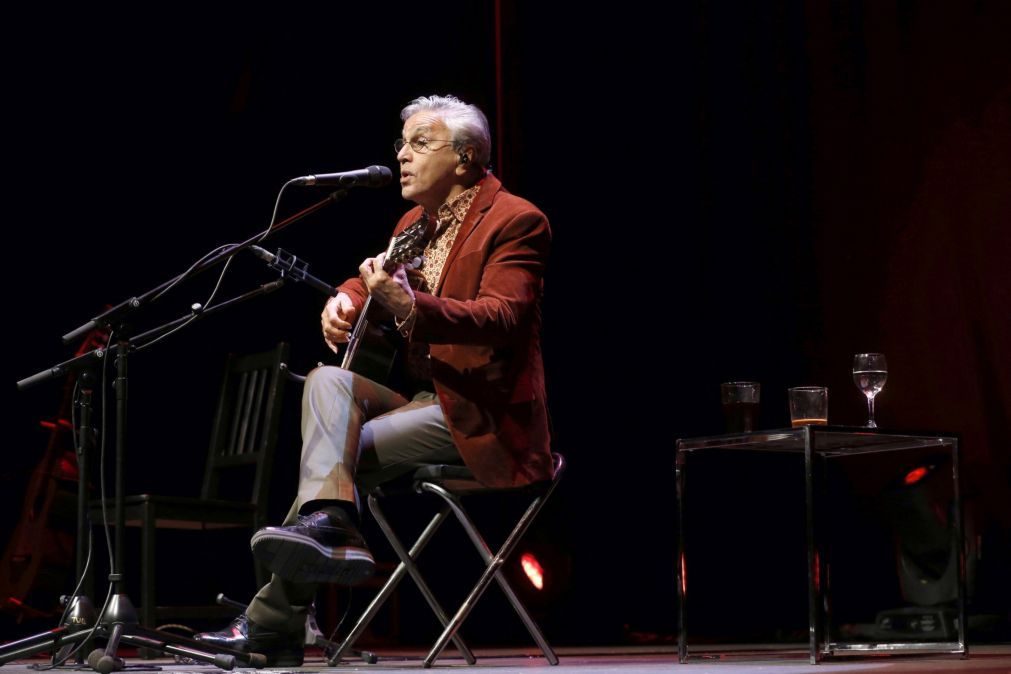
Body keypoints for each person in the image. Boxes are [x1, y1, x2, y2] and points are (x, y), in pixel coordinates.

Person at [196, 94, 554, 665]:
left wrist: (411, 310)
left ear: (465, 160)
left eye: (420, 144)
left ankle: (273, 622)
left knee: (336, 453)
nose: (403, 157)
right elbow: (376, 277)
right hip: (420, 402)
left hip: (480, 414)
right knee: (327, 381)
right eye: (401, 144)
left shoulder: (516, 220)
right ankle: (331, 526)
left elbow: (502, 318)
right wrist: (346, 297)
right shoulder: (415, 223)